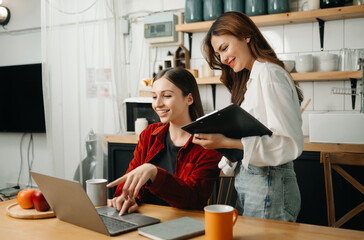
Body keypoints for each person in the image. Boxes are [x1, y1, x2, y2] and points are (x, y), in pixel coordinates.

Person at [193, 11, 304, 222]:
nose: (223, 58)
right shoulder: (252, 77)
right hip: (254, 183)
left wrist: (227, 142)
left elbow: (288, 144)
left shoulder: (269, 73)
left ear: (245, 35)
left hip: (269, 183)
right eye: (218, 54)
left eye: (224, 48)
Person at [107, 67, 222, 215]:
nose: (158, 104)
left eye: (167, 96)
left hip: (184, 224)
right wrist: (128, 198)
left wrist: (154, 173)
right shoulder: (149, 134)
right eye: (154, 97)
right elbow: (129, 181)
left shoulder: (208, 144)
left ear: (189, 99)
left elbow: (193, 200)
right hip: (145, 219)